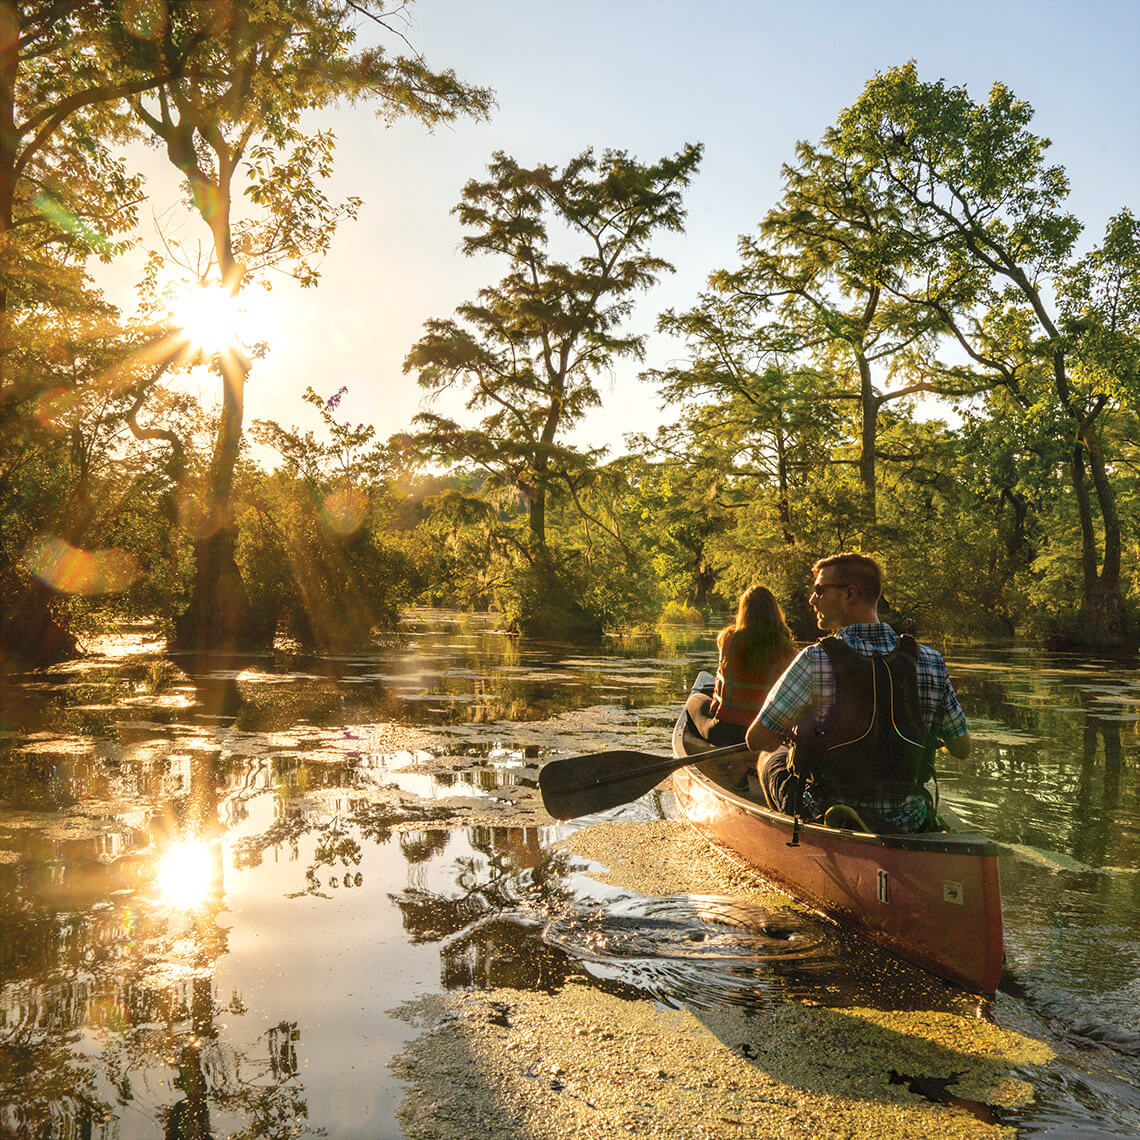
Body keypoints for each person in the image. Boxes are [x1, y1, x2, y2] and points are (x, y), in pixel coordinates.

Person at [744, 553, 970, 833]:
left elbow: (756, 739)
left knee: (770, 756)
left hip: (828, 814)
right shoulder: (931, 660)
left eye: (819, 590)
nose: (812, 600)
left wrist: (793, 734)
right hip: (909, 817)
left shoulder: (814, 659)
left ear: (850, 594)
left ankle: (785, 840)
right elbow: (961, 749)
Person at [686, 585, 796, 746]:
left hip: (726, 733)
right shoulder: (788, 648)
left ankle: (703, 749)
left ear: (743, 611)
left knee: (694, 700)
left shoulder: (728, 638)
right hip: (765, 733)